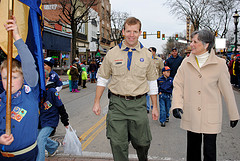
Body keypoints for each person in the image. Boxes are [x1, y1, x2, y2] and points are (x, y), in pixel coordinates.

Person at [92, 17, 159, 161]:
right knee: (118, 143)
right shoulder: (112, 53)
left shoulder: (147, 55)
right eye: (128, 31)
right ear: (123, 31)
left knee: (142, 142)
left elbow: (152, 82)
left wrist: (155, 106)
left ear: (140, 32)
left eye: (135, 31)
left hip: (138, 105)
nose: (131, 34)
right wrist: (96, 101)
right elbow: (102, 78)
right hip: (117, 105)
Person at [171, 29, 239, 161]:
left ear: (206, 44)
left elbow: (227, 91)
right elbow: (178, 84)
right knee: (192, 151)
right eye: (192, 41)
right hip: (192, 113)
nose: (191, 44)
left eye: (195, 42)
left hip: (211, 114)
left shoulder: (219, 64)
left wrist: (233, 114)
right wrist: (177, 105)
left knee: (210, 152)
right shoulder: (186, 62)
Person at [0, 16, 39, 160]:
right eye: (5, 78)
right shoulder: (1, 100)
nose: (9, 82)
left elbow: (29, 63)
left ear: (23, 79)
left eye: (14, 77)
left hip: (25, 156)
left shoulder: (30, 93)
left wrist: (16, 34)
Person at [37, 70, 69, 161]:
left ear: (47, 79)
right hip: (40, 119)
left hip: (51, 120)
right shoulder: (38, 91)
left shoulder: (52, 91)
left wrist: (65, 120)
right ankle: (53, 146)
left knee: (40, 139)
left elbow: (60, 106)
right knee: (37, 137)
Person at [146, 47, 164, 113]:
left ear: (154, 52)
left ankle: (153, 106)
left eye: (150, 51)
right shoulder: (146, 59)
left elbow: (162, 70)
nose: (149, 52)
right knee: (147, 94)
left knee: (154, 94)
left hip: (156, 79)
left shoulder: (159, 60)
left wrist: (161, 79)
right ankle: (147, 107)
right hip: (147, 79)